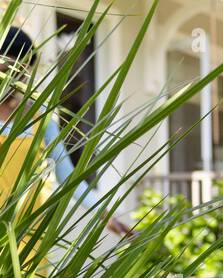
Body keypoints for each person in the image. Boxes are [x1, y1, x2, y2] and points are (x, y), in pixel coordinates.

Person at [0, 26, 133, 236]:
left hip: (28, 235)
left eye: (21, 71)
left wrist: (104, 213)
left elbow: (68, 178)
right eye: (7, 68)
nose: (14, 78)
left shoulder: (39, 116)